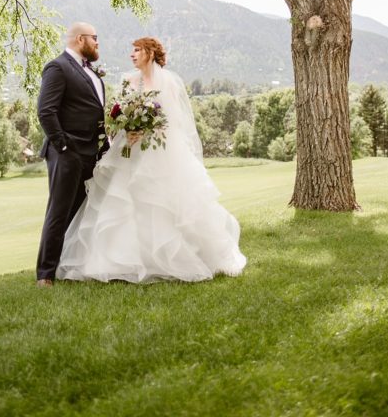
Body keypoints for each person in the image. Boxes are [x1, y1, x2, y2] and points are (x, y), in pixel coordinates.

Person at [56, 36, 246, 283]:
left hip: (159, 152)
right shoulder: (128, 80)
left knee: (161, 202)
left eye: (137, 50)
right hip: (129, 150)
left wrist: (147, 130)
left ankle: (171, 259)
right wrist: (127, 129)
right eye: (132, 50)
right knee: (122, 199)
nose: (132, 54)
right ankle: (118, 261)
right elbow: (118, 114)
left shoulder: (169, 82)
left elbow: (173, 121)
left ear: (150, 53)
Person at [35, 21, 108, 287]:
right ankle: (45, 274)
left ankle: (70, 266)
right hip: (66, 153)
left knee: (79, 213)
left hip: (91, 153)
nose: (97, 42)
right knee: (59, 212)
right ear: (80, 39)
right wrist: (63, 146)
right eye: (94, 37)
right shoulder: (58, 67)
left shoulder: (90, 71)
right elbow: (46, 110)